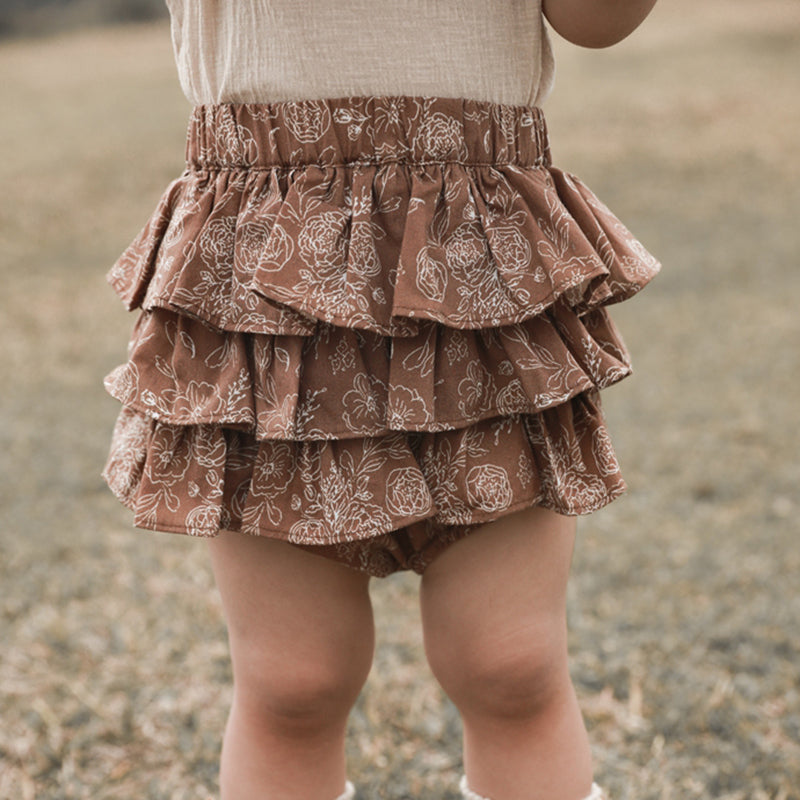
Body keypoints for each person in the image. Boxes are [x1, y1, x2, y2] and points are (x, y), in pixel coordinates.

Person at [101, 1, 661, 798]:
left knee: (510, 665)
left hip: (477, 247)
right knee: (295, 681)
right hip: (268, 255)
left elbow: (597, 21)